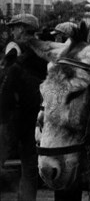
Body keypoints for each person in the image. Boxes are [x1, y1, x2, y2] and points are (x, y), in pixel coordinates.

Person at [0, 14, 47, 201]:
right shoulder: (46, 52)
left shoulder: (15, 52)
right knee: (30, 170)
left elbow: (5, 89)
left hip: (12, 120)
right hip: (37, 122)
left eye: (14, 27)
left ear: (21, 29)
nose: (12, 31)